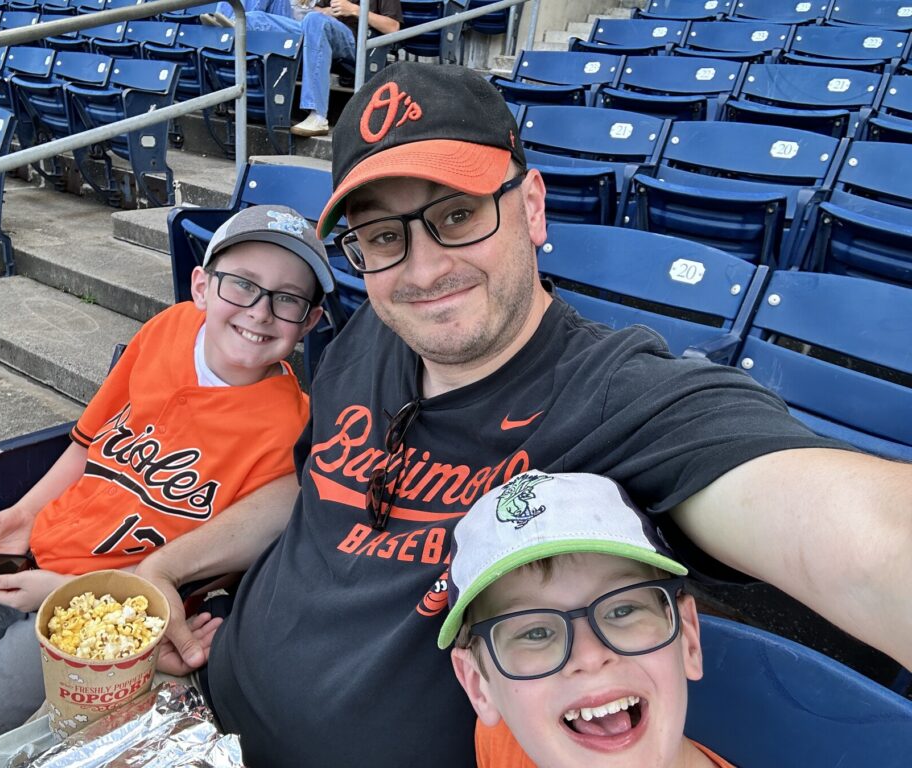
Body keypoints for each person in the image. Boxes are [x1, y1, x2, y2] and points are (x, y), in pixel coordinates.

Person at [136, 62, 912, 768]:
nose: (425, 267)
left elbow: (868, 540)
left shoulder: (619, 397)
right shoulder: (370, 331)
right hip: (196, 715)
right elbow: (310, 494)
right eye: (382, 237)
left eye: (458, 214)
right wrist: (163, 571)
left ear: (531, 207)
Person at [0, 204, 334, 768]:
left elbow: (217, 567)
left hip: (106, 611)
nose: (261, 312)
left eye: (288, 299)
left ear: (311, 322)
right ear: (201, 286)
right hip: (28, 554)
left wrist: (59, 591)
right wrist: (23, 515)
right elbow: (85, 443)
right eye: (241, 284)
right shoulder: (167, 330)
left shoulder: (292, 429)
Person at [442, 471, 732, 768]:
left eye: (622, 610)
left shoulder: (524, 720)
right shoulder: (502, 744)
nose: (590, 656)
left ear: (688, 639)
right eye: (536, 633)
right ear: (479, 685)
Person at [238, 0, 402, 137]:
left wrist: (354, 10)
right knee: (254, 18)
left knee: (314, 20)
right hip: (319, 30)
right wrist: (328, 11)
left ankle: (318, 116)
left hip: (358, 41)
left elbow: (393, 27)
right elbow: (316, 8)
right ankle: (226, 32)